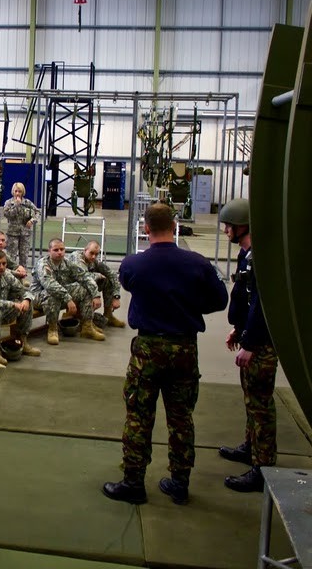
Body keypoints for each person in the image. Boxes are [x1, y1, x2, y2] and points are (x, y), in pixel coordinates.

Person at [102, 203, 228, 506]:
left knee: (138, 416)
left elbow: (130, 284)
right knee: (181, 417)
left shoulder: (133, 264)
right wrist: (187, 305)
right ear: (175, 227)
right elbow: (219, 300)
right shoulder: (198, 264)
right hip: (184, 348)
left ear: (146, 228)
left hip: (148, 349)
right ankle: (180, 483)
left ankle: (133, 482)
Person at [218, 198, 277, 493]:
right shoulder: (247, 256)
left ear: (242, 226)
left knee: (261, 406)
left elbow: (263, 306)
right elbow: (245, 297)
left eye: (229, 225)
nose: (225, 230)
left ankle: (262, 468)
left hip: (261, 345)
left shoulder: (260, 259)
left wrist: (250, 343)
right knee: (251, 400)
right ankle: (250, 448)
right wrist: (238, 329)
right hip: (250, 336)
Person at [31, 239, 104, 346]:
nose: (60, 252)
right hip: (38, 296)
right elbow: (50, 285)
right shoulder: (43, 264)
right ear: (49, 251)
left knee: (85, 288)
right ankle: (52, 329)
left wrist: (96, 295)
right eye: (56, 250)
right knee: (52, 294)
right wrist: (68, 299)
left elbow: (84, 277)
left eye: (62, 249)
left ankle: (87, 327)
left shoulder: (67, 263)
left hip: (60, 294)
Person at [0, 249, 40, 357]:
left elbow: (24, 290)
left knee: (27, 304)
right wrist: (12, 304)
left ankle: (22, 340)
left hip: (3, 310)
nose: (2, 267)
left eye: (4, 264)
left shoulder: (6, 274)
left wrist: (26, 300)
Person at [74, 241, 125, 328]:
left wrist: (116, 296)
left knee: (107, 281)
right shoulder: (77, 257)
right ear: (85, 250)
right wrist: (97, 276)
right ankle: (86, 322)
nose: (94, 256)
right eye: (91, 253)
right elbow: (84, 276)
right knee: (93, 282)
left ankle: (108, 315)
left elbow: (112, 274)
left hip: (85, 285)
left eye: (96, 254)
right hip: (73, 287)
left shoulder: (93, 261)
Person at [2, 182, 39, 267]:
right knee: (11, 257)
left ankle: (23, 276)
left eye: (20, 191)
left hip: (25, 234)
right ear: (13, 192)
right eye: (16, 191)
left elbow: (38, 212)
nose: (18, 193)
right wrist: (16, 205)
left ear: (23, 192)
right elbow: (7, 214)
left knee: (24, 257)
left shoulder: (27, 203)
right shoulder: (8, 202)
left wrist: (32, 221)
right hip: (12, 234)